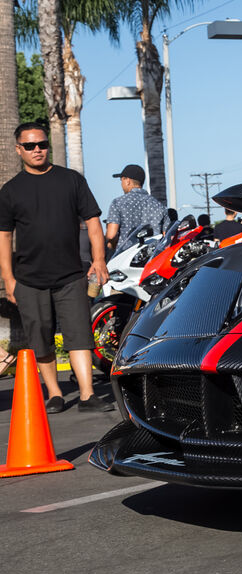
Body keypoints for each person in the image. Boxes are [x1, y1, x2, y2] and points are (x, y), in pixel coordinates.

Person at [0, 122, 113, 413]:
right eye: (30, 145)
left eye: (42, 144)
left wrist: (99, 259)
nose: (37, 149)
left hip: (71, 275)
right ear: (18, 150)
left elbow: (93, 222)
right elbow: (4, 237)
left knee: (79, 335)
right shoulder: (11, 191)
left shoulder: (71, 180)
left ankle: (88, 395)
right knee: (41, 339)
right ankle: (55, 394)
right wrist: (8, 278)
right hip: (28, 280)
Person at [104, 164, 168, 258]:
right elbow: (166, 236)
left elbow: (111, 235)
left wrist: (112, 245)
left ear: (127, 181)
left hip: (125, 259)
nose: (121, 184)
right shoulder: (159, 205)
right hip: (151, 259)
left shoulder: (118, 203)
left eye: (121, 180)